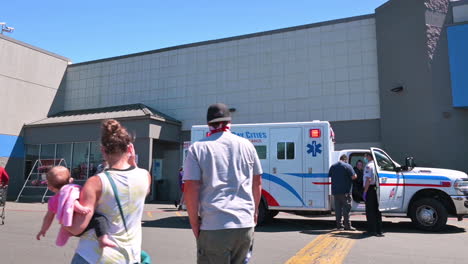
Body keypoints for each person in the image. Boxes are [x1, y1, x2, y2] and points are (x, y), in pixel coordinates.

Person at [183, 103, 263, 264]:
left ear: (208, 124)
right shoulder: (247, 145)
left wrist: (193, 222)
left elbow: (191, 187)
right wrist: (254, 212)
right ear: (229, 122)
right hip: (245, 225)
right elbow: (257, 182)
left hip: (214, 225)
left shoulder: (198, 148)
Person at [64, 119, 151, 263]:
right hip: (129, 256)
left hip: (94, 256)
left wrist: (60, 213)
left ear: (103, 150)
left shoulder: (96, 182)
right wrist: (133, 163)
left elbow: (76, 228)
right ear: (129, 149)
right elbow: (144, 192)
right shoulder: (145, 176)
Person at [36, 166, 116, 248]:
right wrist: (81, 209)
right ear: (71, 180)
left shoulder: (52, 201)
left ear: (50, 187)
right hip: (80, 224)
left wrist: (43, 229)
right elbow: (71, 202)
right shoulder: (70, 190)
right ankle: (103, 239)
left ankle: (68, 235)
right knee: (99, 219)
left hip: (69, 227)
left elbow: (48, 217)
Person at [329, 154, 357, 230]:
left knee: (338, 210)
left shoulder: (333, 166)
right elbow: (353, 177)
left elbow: (330, 176)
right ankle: (347, 226)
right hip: (345, 192)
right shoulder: (347, 166)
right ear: (346, 159)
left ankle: (339, 225)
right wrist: (356, 175)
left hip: (335, 192)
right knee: (346, 208)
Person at [362, 153, 384, 237]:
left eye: (366, 156)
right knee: (377, 211)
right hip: (376, 189)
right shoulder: (376, 165)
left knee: (370, 211)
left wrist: (365, 192)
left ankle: (372, 231)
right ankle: (379, 230)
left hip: (370, 189)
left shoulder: (368, 166)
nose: (365, 158)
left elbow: (368, 179)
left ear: (369, 156)